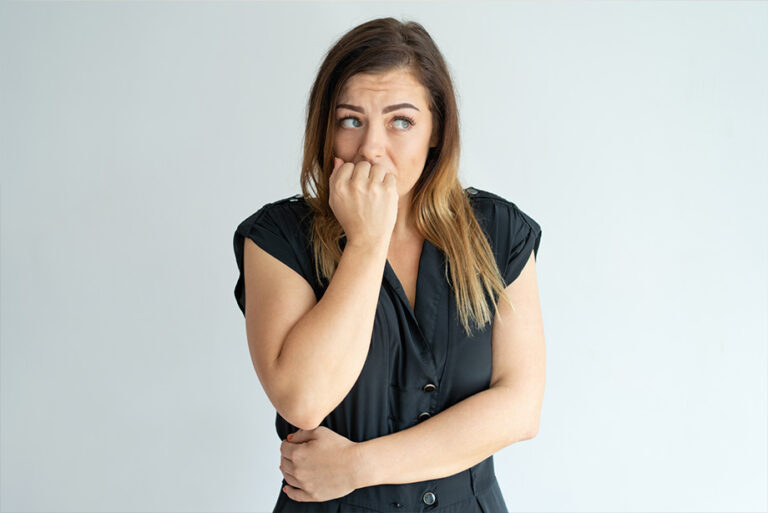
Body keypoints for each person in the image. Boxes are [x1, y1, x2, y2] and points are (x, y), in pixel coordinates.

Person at [232, 16, 545, 513]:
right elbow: (304, 400)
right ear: (327, 129)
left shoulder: (498, 232)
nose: (372, 147)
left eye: (401, 121)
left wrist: (358, 466)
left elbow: (519, 409)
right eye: (351, 120)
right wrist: (366, 240)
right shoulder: (278, 237)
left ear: (436, 128)